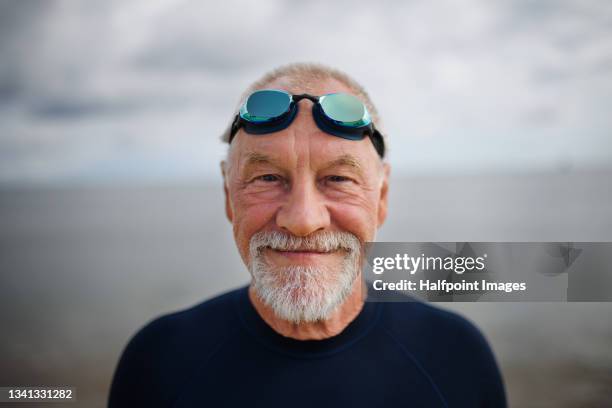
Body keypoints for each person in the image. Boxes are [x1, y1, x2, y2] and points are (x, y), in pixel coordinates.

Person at [108, 63, 507, 407]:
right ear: (229, 196)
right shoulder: (158, 360)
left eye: (337, 178)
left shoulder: (455, 354)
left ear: (381, 198)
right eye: (267, 177)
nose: (302, 220)